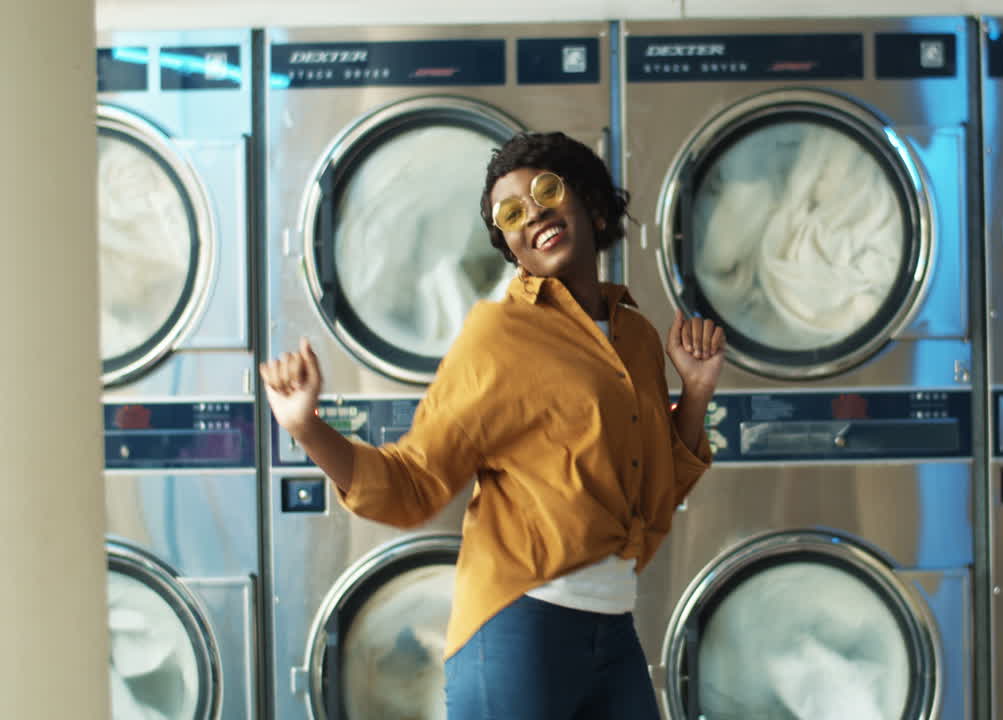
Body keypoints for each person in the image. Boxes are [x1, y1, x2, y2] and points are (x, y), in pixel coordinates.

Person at [259, 131, 727, 720]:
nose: (534, 215)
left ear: (591, 203)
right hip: (522, 625)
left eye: (546, 191)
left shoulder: (634, 336)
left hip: (612, 628)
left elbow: (655, 491)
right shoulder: (499, 336)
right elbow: (414, 481)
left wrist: (697, 391)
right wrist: (307, 428)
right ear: (511, 247)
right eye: (512, 214)